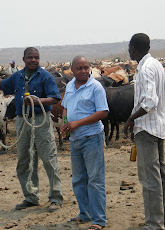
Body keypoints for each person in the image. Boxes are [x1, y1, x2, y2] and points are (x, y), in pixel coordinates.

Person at [0, 47, 63, 212]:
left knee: (49, 159)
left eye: (36, 57)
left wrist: (37, 100)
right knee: (25, 161)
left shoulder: (46, 76)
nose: (34, 60)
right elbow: (1, 85)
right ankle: (31, 197)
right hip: (22, 121)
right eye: (30, 57)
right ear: (23, 59)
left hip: (41, 120)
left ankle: (55, 197)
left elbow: (55, 98)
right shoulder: (17, 76)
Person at [123, 33, 165, 230]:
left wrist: (130, 120)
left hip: (147, 128)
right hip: (160, 127)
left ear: (133, 48)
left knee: (149, 177)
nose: (129, 51)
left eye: (129, 48)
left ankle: (154, 224)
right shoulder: (156, 64)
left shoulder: (144, 69)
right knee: (160, 173)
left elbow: (150, 102)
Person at [61, 56, 108, 230]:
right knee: (79, 179)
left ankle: (99, 220)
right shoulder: (70, 86)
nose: (83, 71)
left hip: (92, 137)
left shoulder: (95, 87)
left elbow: (103, 112)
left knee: (95, 179)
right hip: (75, 139)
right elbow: (66, 106)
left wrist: (77, 123)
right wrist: (65, 122)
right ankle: (84, 213)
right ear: (71, 70)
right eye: (79, 68)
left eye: (86, 68)